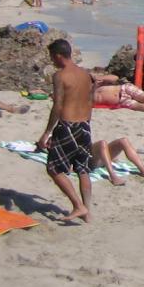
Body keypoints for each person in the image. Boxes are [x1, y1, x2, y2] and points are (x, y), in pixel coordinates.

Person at [38, 39, 94, 222]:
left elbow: (57, 106)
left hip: (68, 125)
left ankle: (78, 206)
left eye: (52, 57)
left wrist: (47, 132)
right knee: (82, 169)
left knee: (53, 168)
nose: (52, 61)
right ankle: (88, 213)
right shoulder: (85, 74)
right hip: (85, 125)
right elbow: (90, 101)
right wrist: (87, 120)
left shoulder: (60, 76)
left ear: (59, 56)